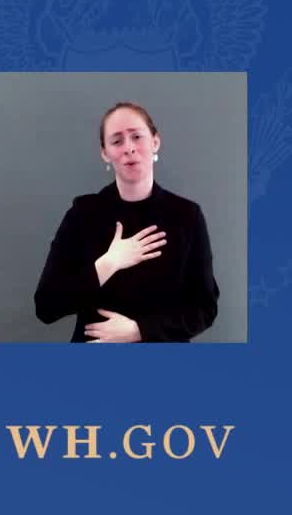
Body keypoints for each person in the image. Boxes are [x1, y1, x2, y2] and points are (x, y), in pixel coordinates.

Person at [34, 102, 218, 342]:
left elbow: (205, 309)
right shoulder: (83, 214)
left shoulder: (187, 216)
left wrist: (140, 330)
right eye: (117, 141)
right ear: (105, 153)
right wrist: (108, 264)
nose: (129, 148)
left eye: (137, 137)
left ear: (155, 142)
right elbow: (46, 307)